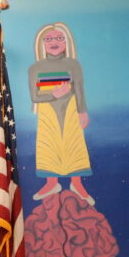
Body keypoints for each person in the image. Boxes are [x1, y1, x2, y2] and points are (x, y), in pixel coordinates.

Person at [28, 22, 93, 204]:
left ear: (66, 42)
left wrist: (83, 111)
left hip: (71, 109)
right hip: (48, 111)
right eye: (49, 39)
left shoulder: (73, 65)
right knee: (49, 144)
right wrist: (52, 94)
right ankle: (51, 182)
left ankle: (77, 183)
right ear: (42, 43)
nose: (54, 42)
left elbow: (79, 88)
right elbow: (34, 97)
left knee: (74, 143)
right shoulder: (35, 68)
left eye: (59, 38)